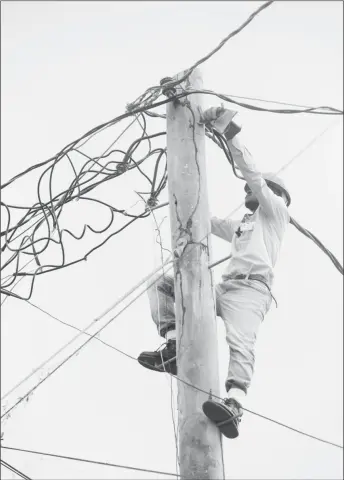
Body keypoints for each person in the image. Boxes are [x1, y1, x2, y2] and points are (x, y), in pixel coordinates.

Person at [137, 107, 291, 439]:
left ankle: (234, 405)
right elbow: (203, 219)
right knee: (162, 284)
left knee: (241, 342)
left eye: (256, 191)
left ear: (275, 195)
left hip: (252, 291)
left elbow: (252, 175)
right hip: (222, 287)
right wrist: (172, 195)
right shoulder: (243, 226)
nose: (248, 194)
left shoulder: (275, 214)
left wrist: (229, 131)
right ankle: (175, 345)